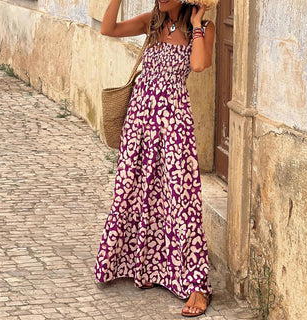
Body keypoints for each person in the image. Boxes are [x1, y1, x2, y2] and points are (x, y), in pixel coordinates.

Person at [94, 0, 216, 316]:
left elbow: (200, 65)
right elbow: (109, 29)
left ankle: (197, 287)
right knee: (135, 192)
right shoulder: (152, 21)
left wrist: (200, 23)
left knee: (180, 198)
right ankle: (149, 268)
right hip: (140, 120)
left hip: (174, 124)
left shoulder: (201, 28)